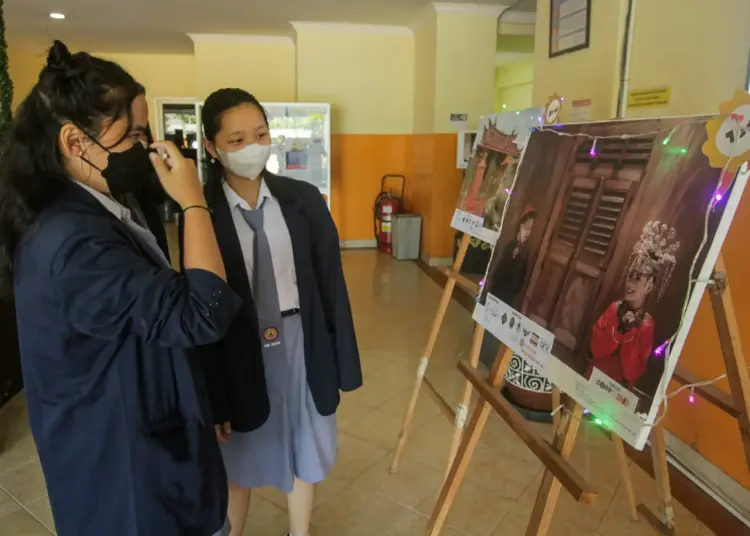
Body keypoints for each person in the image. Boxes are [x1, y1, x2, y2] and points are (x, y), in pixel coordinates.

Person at [0, 41, 241, 536]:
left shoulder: (94, 201)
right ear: (75, 142)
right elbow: (203, 312)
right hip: (124, 462)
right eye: (132, 134)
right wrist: (194, 203)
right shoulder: (70, 240)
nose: (147, 146)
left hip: (139, 420)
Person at [196, 88, 362, 536]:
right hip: (240, 347)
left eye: (260, 133)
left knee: (305, 443)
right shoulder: (201, 214)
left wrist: (342, 363)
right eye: (236, 140)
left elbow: (331, 285)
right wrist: (211, 392)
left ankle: (299, 532)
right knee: (241, 451)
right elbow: (199, 307)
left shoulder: (303, 201)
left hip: (300, 340)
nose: (253, 147)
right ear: (212, 147)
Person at [587, 253, 657, 389]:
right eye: (630, 276)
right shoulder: (614, 309)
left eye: (637, 279)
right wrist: (618, 332)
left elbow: (632, 372)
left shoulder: (646, 325)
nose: (630, 283)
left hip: (617, 390)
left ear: (648, 287)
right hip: (594, 379)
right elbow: (596, 349)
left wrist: (629, 333)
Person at [486, 205, 536, 305]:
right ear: (520, 226)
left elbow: (518, 284)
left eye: (531, 229)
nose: (528, 233)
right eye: (526, 227)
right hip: (497, 292)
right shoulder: (510, 246)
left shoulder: (525, 253)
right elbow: (497, 273)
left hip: (508, 297)